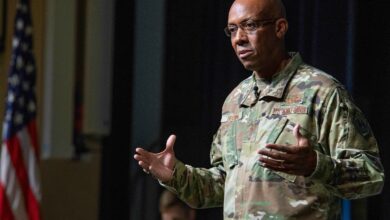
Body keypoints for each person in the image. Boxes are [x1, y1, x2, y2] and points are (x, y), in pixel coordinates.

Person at [134, 0, 385, 219]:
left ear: (280, 28)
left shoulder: (322, 92)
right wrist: (176, 175)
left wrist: (315, 165)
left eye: (250, 26)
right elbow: (221, 185)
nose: (238, 38)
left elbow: (371, 176)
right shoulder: (235, 100)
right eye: (232, 29)